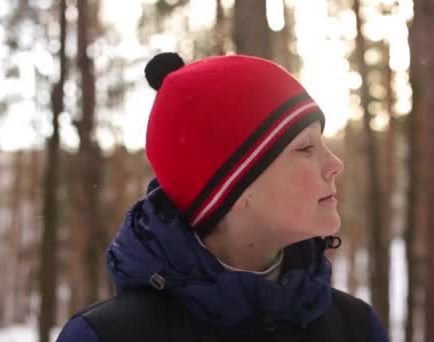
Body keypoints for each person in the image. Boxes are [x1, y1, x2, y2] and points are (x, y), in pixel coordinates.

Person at [56, 52, 389, 342]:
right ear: (234, 189)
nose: (335, 164)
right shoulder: (105, 337)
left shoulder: (355, 327)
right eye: (305, 148)